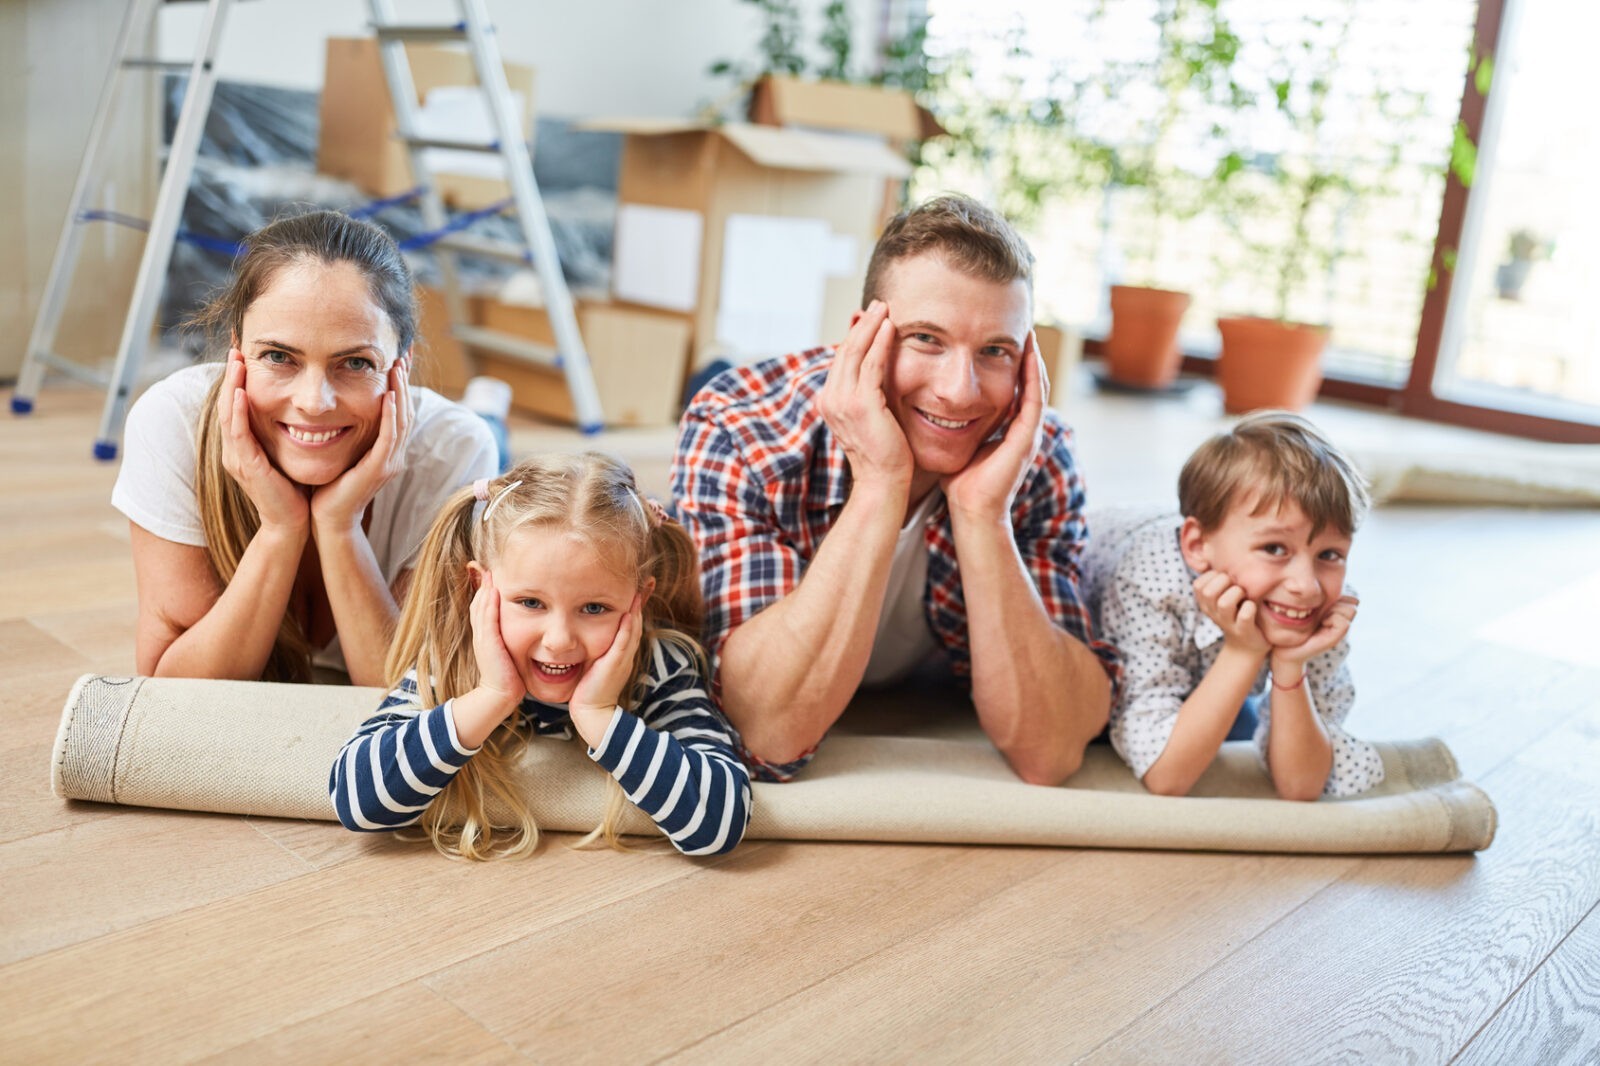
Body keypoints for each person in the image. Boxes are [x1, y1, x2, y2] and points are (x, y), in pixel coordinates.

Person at [671, 194, 1120, 786]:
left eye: (995, 351)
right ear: (865, 337)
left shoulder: (1034, 448)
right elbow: (764, 732)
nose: (960, 391)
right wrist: (881, 482)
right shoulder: (739, 427)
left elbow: (1052, 749)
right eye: (927, 339)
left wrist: (983, 514)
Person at [112, 210, 498, 686]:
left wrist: (340, 526)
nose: (314, 402)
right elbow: (174, 692)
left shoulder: (455, 447)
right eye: (278, 357)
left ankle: (491, 405)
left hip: (449, 436)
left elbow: (407, 698)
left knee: (489, 439)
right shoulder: (171, 421)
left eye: (355, 362)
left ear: (403, 364)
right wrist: (280, 528)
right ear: (237, 351)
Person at [329, 453, 752, 860]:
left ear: (639, 599)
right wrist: (492, 695)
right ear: (480, 586)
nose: (559, 641)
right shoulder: (454, 655)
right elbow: (358, 802)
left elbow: (719, 825)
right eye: (530, 602)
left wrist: (599, 715)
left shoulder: (661, 667)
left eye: (594, 608)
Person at [1084, 411, 1385, 800]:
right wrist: (1245, 650)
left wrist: (1290, 665)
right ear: (1197, 546)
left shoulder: (1319, 604)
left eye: (1330, 554)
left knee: (1238, 723)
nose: (1306, 586)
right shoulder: (1150, 581)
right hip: (1090, 629)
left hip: (1199, 663)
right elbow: (1166, 776)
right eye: (1274, 548)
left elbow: (1302, 785)